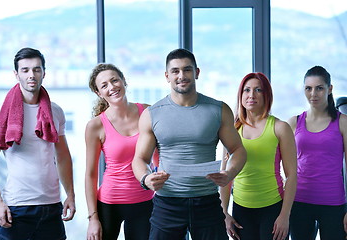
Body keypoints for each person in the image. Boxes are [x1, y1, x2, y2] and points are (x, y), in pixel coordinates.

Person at [132, 48, 247, 240]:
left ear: (197, 73)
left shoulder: (218, 109)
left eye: (187, 70)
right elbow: (139, 159)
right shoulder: (152, 114)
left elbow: (238, 150)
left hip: (207, 202)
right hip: (167, 203)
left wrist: (229, 174)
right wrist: (145, 179)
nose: (181, 75)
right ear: (167, 76)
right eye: (175, 71)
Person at [0, 47, 76, 240]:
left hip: (52, 206)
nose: (31, 75)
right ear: (16, 74)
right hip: (17, 207)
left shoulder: (56, 112)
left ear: (44, 72)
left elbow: (63, 157)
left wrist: (70, 194)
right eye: (25, 70)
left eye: (36, 69)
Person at [222, 72, 297, 240]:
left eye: (258, 90)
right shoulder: (232, 130)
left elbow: (292, 175)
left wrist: (285, 215)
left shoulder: (280, 128)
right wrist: (224, 213)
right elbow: (224, 178)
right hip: (241, 211)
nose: (251, 95)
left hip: (273, 209)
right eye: (247, 90)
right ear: (240, 95)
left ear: (266, 95)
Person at [85, 63, 155, 240]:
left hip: (145, 201)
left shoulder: (148, 112)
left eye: (114, 80)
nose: (112, 87)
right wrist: (93, 218)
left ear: (123, 81)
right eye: (104, 85)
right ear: (98, 93)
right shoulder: (95, 126)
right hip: (109, 204)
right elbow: (91, 174)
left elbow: (159, 156)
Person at [287, 66, 347, 240]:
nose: (313, 93)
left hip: (333, 204)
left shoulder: (343, 122)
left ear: (329, 89)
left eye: (319, 88)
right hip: (299, 201)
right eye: (308, 88)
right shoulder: (294, 122)